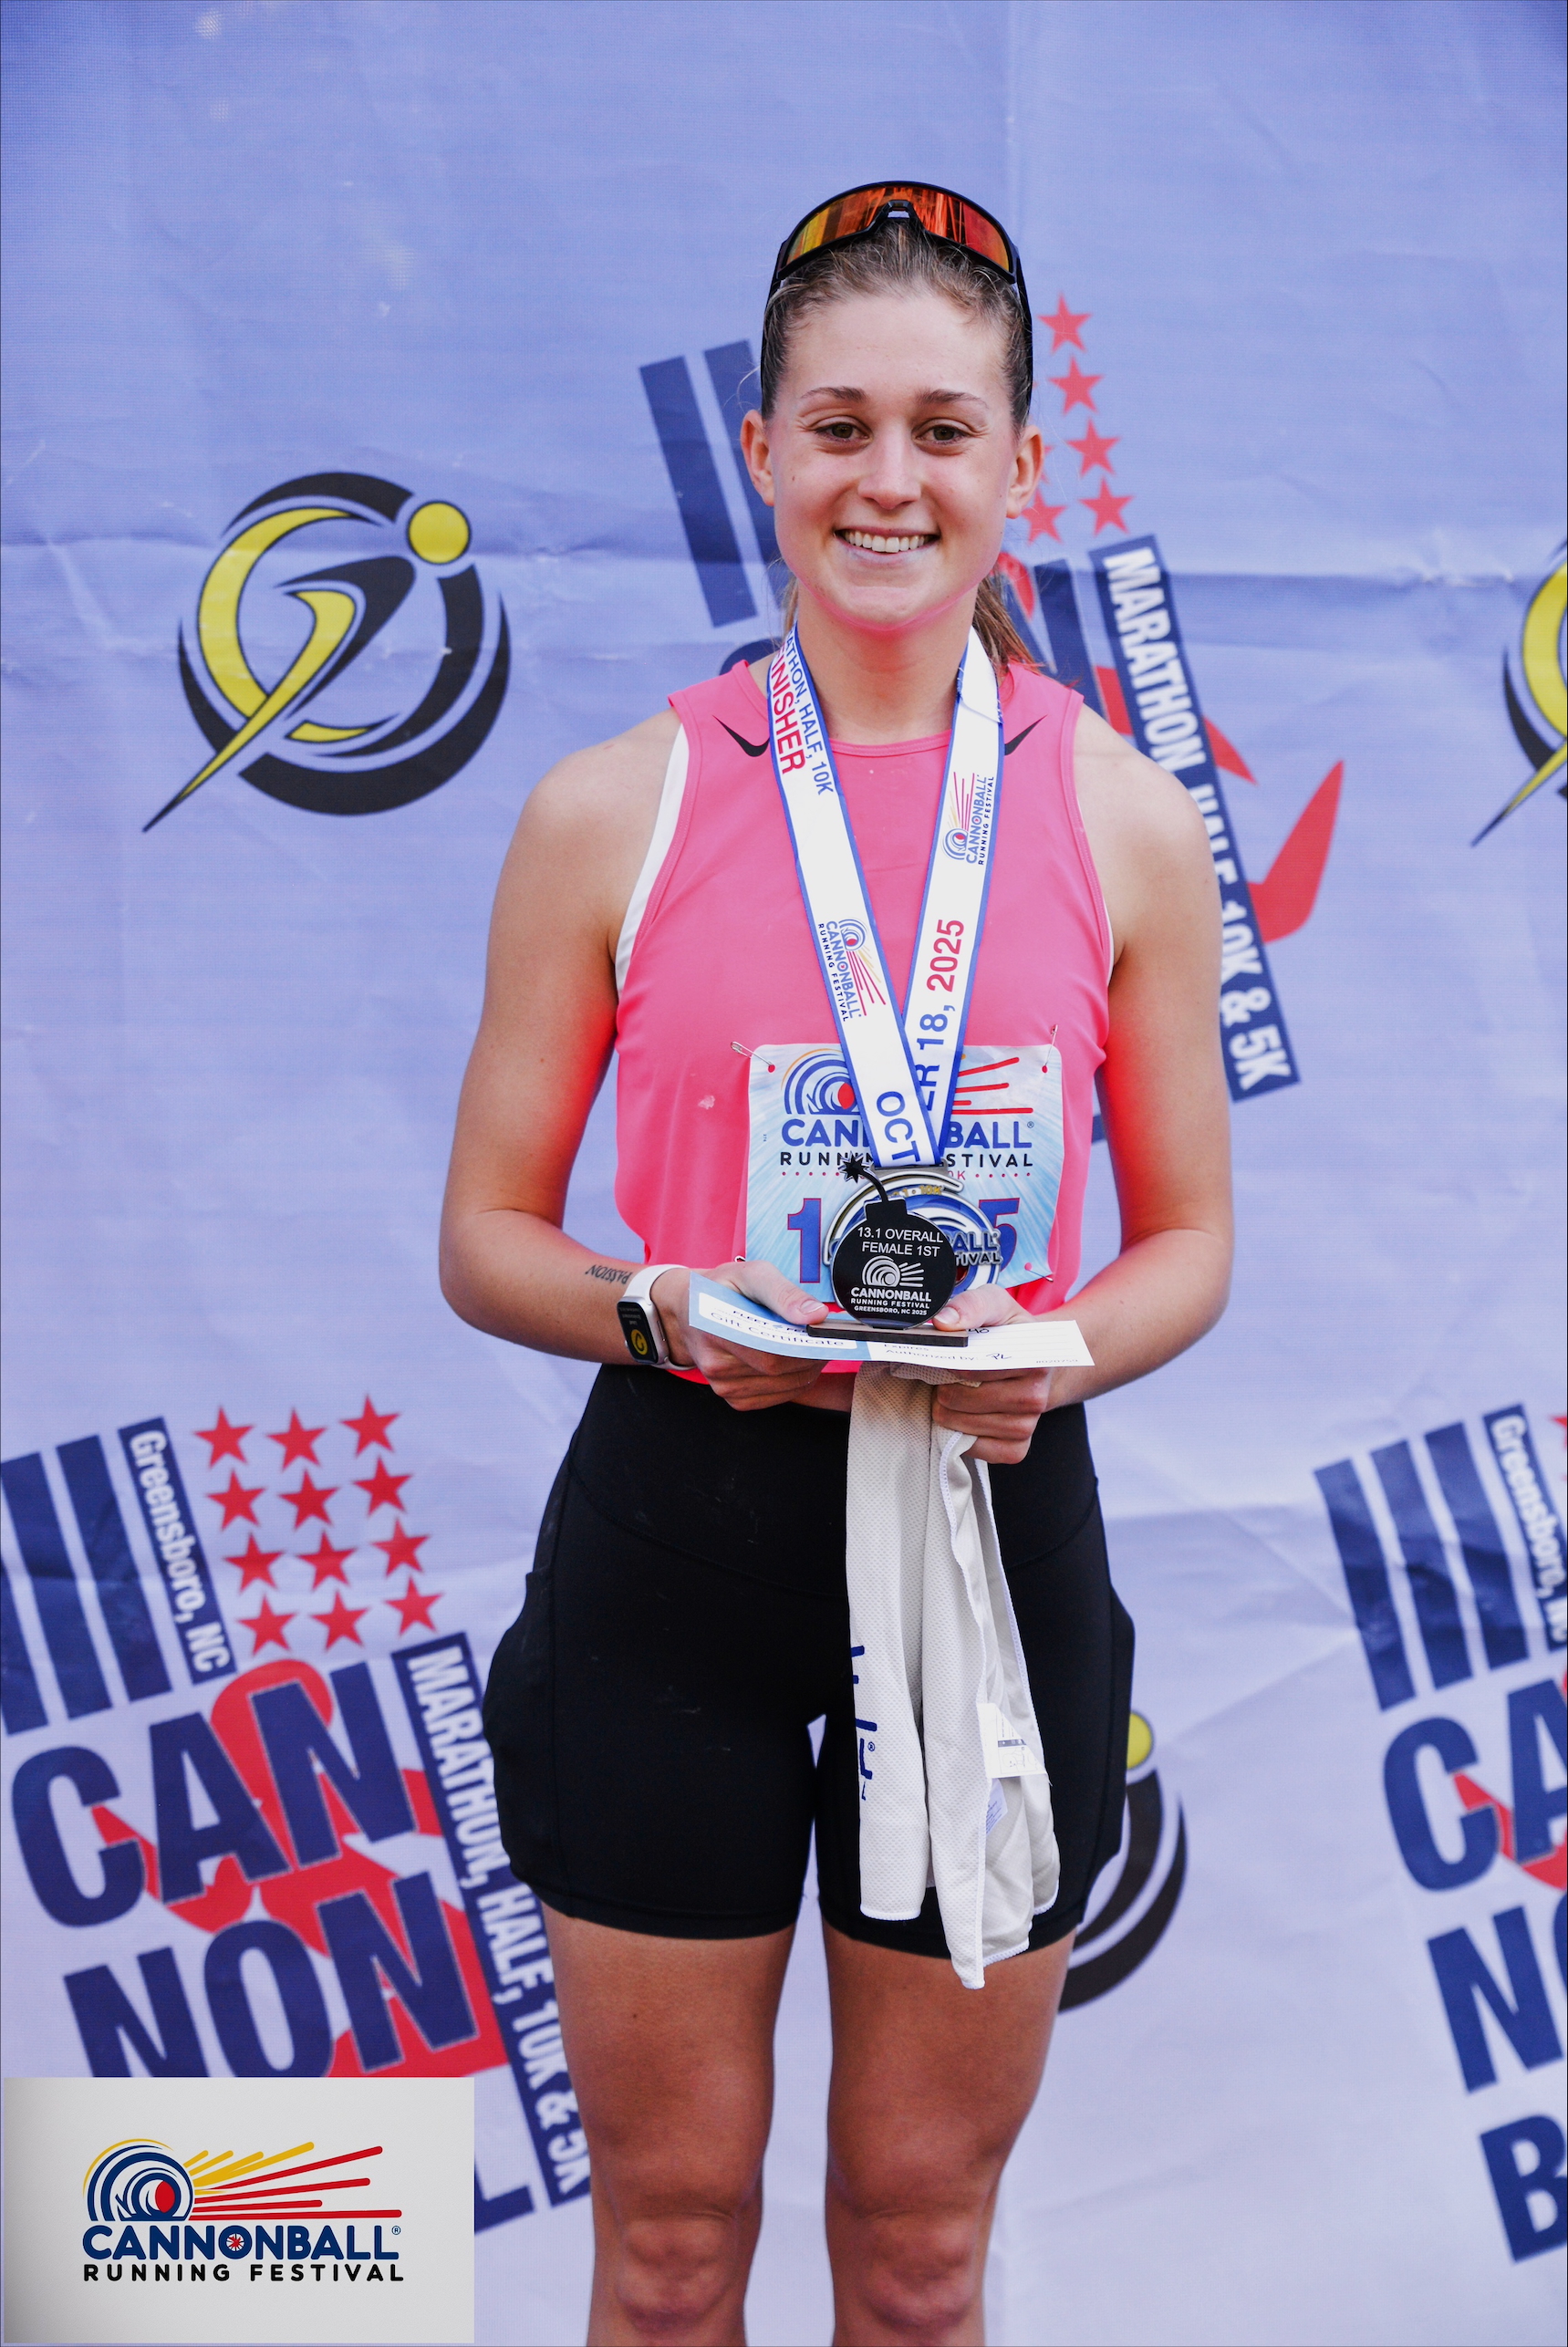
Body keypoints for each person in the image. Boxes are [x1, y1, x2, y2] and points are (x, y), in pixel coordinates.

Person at [444, 182, 1231, 2347]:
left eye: (942, 430)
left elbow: (1186, 1249)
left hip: (982, 1544)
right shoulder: (614, 805)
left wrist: (1050, 1352)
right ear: (762, 454)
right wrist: (655, 1311)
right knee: (674, 2242)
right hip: (674, 1545)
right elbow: (482, 1237)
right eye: (838, 425)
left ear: (1018, 468)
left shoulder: (1123, 819)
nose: (888, 480)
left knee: (910, 2251)